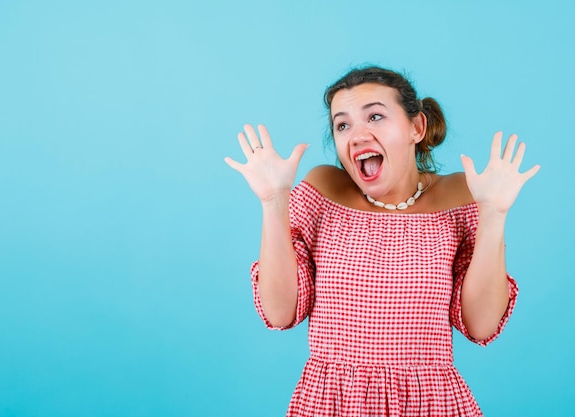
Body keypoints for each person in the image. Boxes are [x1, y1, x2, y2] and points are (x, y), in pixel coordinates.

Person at [224, 65, 540, 417]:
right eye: (342, 124)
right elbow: (279, 313)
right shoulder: (322, 190)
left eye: (375, 116)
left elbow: (481, 325)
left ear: (416, 127)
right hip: (333, 403)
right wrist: (273, 201)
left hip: (429, 405)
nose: (356, 135)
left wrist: (494, 214)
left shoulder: (462, 197)